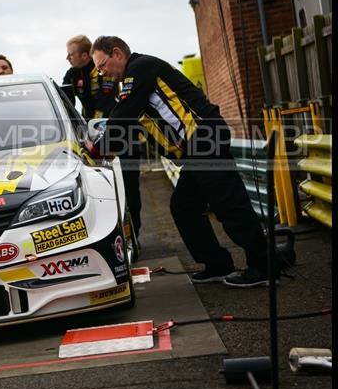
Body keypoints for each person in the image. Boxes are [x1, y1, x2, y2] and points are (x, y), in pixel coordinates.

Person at [88, 35, 272, 288]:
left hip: (205, 138)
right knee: (183, 207)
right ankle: (218, 264)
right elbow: (131, 127)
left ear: (117, 53)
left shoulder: (139, 68)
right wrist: (109, 149)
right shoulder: (135, 83)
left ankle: (263, 265)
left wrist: (97, 147)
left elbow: (122, 115)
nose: (102, 73)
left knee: (229, 204)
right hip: (197, 148)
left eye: (102, 65)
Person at [64, 34, 142, 245]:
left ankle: (134, 235)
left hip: (120, 134)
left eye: (70, 54)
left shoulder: (103, 70)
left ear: (83, 54)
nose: (67, 58)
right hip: (94, 137)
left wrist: (96, 134)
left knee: (129, 187)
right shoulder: (71, 75)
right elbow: (66, 105)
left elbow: (106, 105)